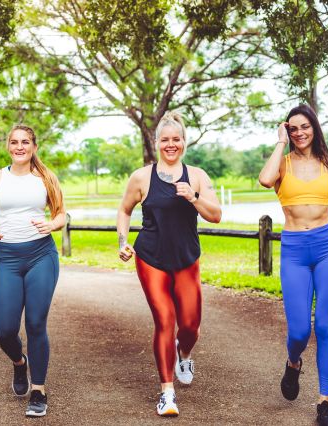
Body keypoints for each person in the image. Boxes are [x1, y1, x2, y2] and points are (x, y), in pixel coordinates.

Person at [258, 104, 328, 426]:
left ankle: (324, 403)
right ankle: (293, 362)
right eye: (292, 128)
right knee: (299, 331)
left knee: (324, 326)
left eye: (304, 126)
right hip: (294, 251)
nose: (299, 133)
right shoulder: (282, 164)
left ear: (314, 127)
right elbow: (265, 180)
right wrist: (279, 142)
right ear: (287, 131)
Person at [117, 112, 221, 417]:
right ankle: (167, 392)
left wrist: (194, 197)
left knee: (190, 326)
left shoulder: (198, 175)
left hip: (187, 257)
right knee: (165, 319)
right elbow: (124, 210)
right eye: (165, 140)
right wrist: (122, 241)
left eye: (177, 139)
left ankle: (183, 354)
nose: (171, 144)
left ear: (185, 142)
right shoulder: (141, 177)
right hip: (151, 257)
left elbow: (215, 215)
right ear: (156, 143)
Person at [0, 124, 66, 418]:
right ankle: (19, 362)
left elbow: (60, 214)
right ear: (8, 146)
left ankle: (38, 390)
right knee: (4, 328)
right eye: (14, 142)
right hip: (7, 258)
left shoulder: (45, 177)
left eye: (25, 142)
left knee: (36, 322)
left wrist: (52, 224)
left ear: (34, 147)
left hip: (41, 254)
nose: (20, 147)